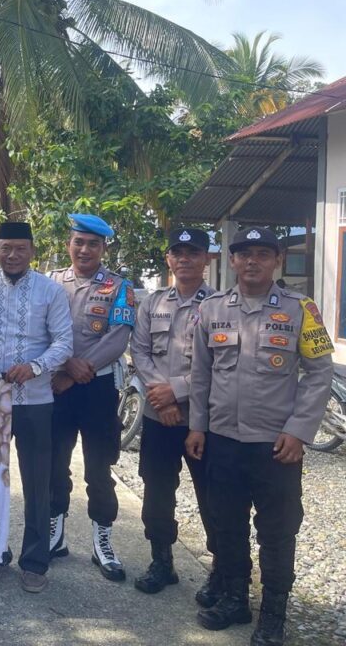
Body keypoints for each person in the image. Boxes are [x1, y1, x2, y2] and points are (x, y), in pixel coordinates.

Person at [187, 227, 333, 645]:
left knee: (277, 530)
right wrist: (198, 425)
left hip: (276, 446)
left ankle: (273, 614)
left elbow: (320, 372)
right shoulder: (212, 309)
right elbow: (200, 374)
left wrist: (300, 431)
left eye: (263, 254)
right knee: (226, 524)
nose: (253, 261)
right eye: (245, 254)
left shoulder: (301, 309)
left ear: (277, 261)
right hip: (223, 441)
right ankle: (235, 598)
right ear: (231, 261)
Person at [0, 221, 73, 594]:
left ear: (32, 251)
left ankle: (35, 561)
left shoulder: (51, 291)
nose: (12, 255)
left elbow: (64, 342)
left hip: (35, 401)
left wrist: (35, 367)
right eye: (5, 248)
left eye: (20, 248)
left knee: (37, 482)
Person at [129, 228, 216, 599]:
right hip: (156, 415)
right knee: (157, 490)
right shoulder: (153, 303)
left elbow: (215, 364)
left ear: (207, 259)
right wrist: (161, 399)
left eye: (193, 252)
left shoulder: (218, 304)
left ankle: (221, 570)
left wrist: (175, 393)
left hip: (200, 419)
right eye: (178, 253)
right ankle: (161, 560)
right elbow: (140, 351)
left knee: (213, 495)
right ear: (168, 259)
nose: (185, 259)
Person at [48, 213, 135, 582]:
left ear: (103, 248)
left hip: (98, 388)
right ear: (68, 244)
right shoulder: (50, 282)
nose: (85, 250)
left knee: (99, 469)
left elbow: (119, 335)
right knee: (54, 464)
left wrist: (79, 370)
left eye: (93, 244)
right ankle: (54, 533)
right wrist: (67, 368)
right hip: (57, 387)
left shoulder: (119, 286)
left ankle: (103, 541)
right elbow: (41, 330)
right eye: (78, 242)